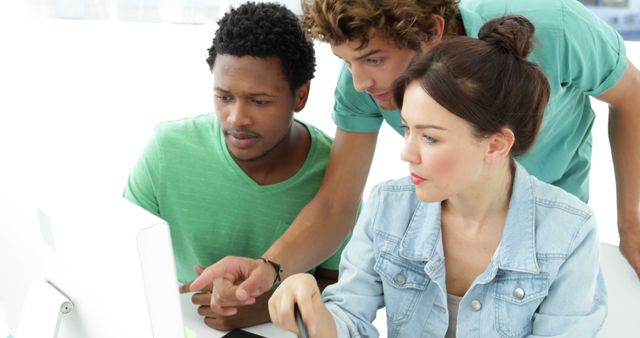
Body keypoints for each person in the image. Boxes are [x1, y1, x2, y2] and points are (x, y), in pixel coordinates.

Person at [192, 0, 639, 318]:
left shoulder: (558, 28)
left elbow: (633, 99)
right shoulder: (363, 88)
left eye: (373, 58)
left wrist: (632, 218)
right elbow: (336, 204)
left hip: (544, 245)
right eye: (346, 62)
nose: (361, 81)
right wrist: (268, 269)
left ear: (431, 30)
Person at [269, 16, 607, 338]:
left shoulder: (569, 232)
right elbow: (349, 321)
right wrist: (312, 310)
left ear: (495, 145)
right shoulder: (388, 207)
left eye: (430, 137)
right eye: (407, 130)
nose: (407, 153)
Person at [124, 2, 347, 331]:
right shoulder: (166, 151)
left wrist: (268, 306)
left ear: (300, 96)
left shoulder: (337, 173)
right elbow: (121, 259)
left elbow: (344, 289)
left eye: (259, 101)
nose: (236, 118)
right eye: (224, 97)